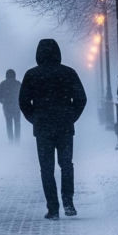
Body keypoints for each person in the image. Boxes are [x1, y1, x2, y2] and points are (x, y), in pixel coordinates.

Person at [19, 39, 87, 219]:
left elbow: (23, 102)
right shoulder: (68, 73)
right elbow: (81, 98)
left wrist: (35, 118)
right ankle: (68, 202)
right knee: (66, 165)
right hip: (64, 126)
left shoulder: (32, 75)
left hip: (43, 128)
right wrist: (71, 117)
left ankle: (53, 207)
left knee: (46, 168)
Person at [0, 69, 22, 143]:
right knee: (17, 124)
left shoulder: (3, 83)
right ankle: (17, 141)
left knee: (9, 124)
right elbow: (23, 94)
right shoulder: (18, 83)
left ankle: (11, 141)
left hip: (7, 107)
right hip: (16, 107)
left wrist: (3, 101)